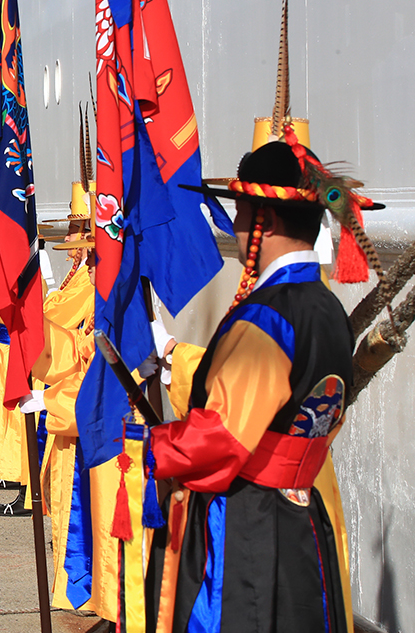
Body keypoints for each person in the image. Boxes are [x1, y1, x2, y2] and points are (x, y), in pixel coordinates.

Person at [146, 137, 369, 632]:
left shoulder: (267, 319)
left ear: (264, 222)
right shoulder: (328, 310)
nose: (238, 225)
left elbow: (221, 440)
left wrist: (150, 446)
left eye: (243, 212)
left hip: (249, 526)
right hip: (303, 518)